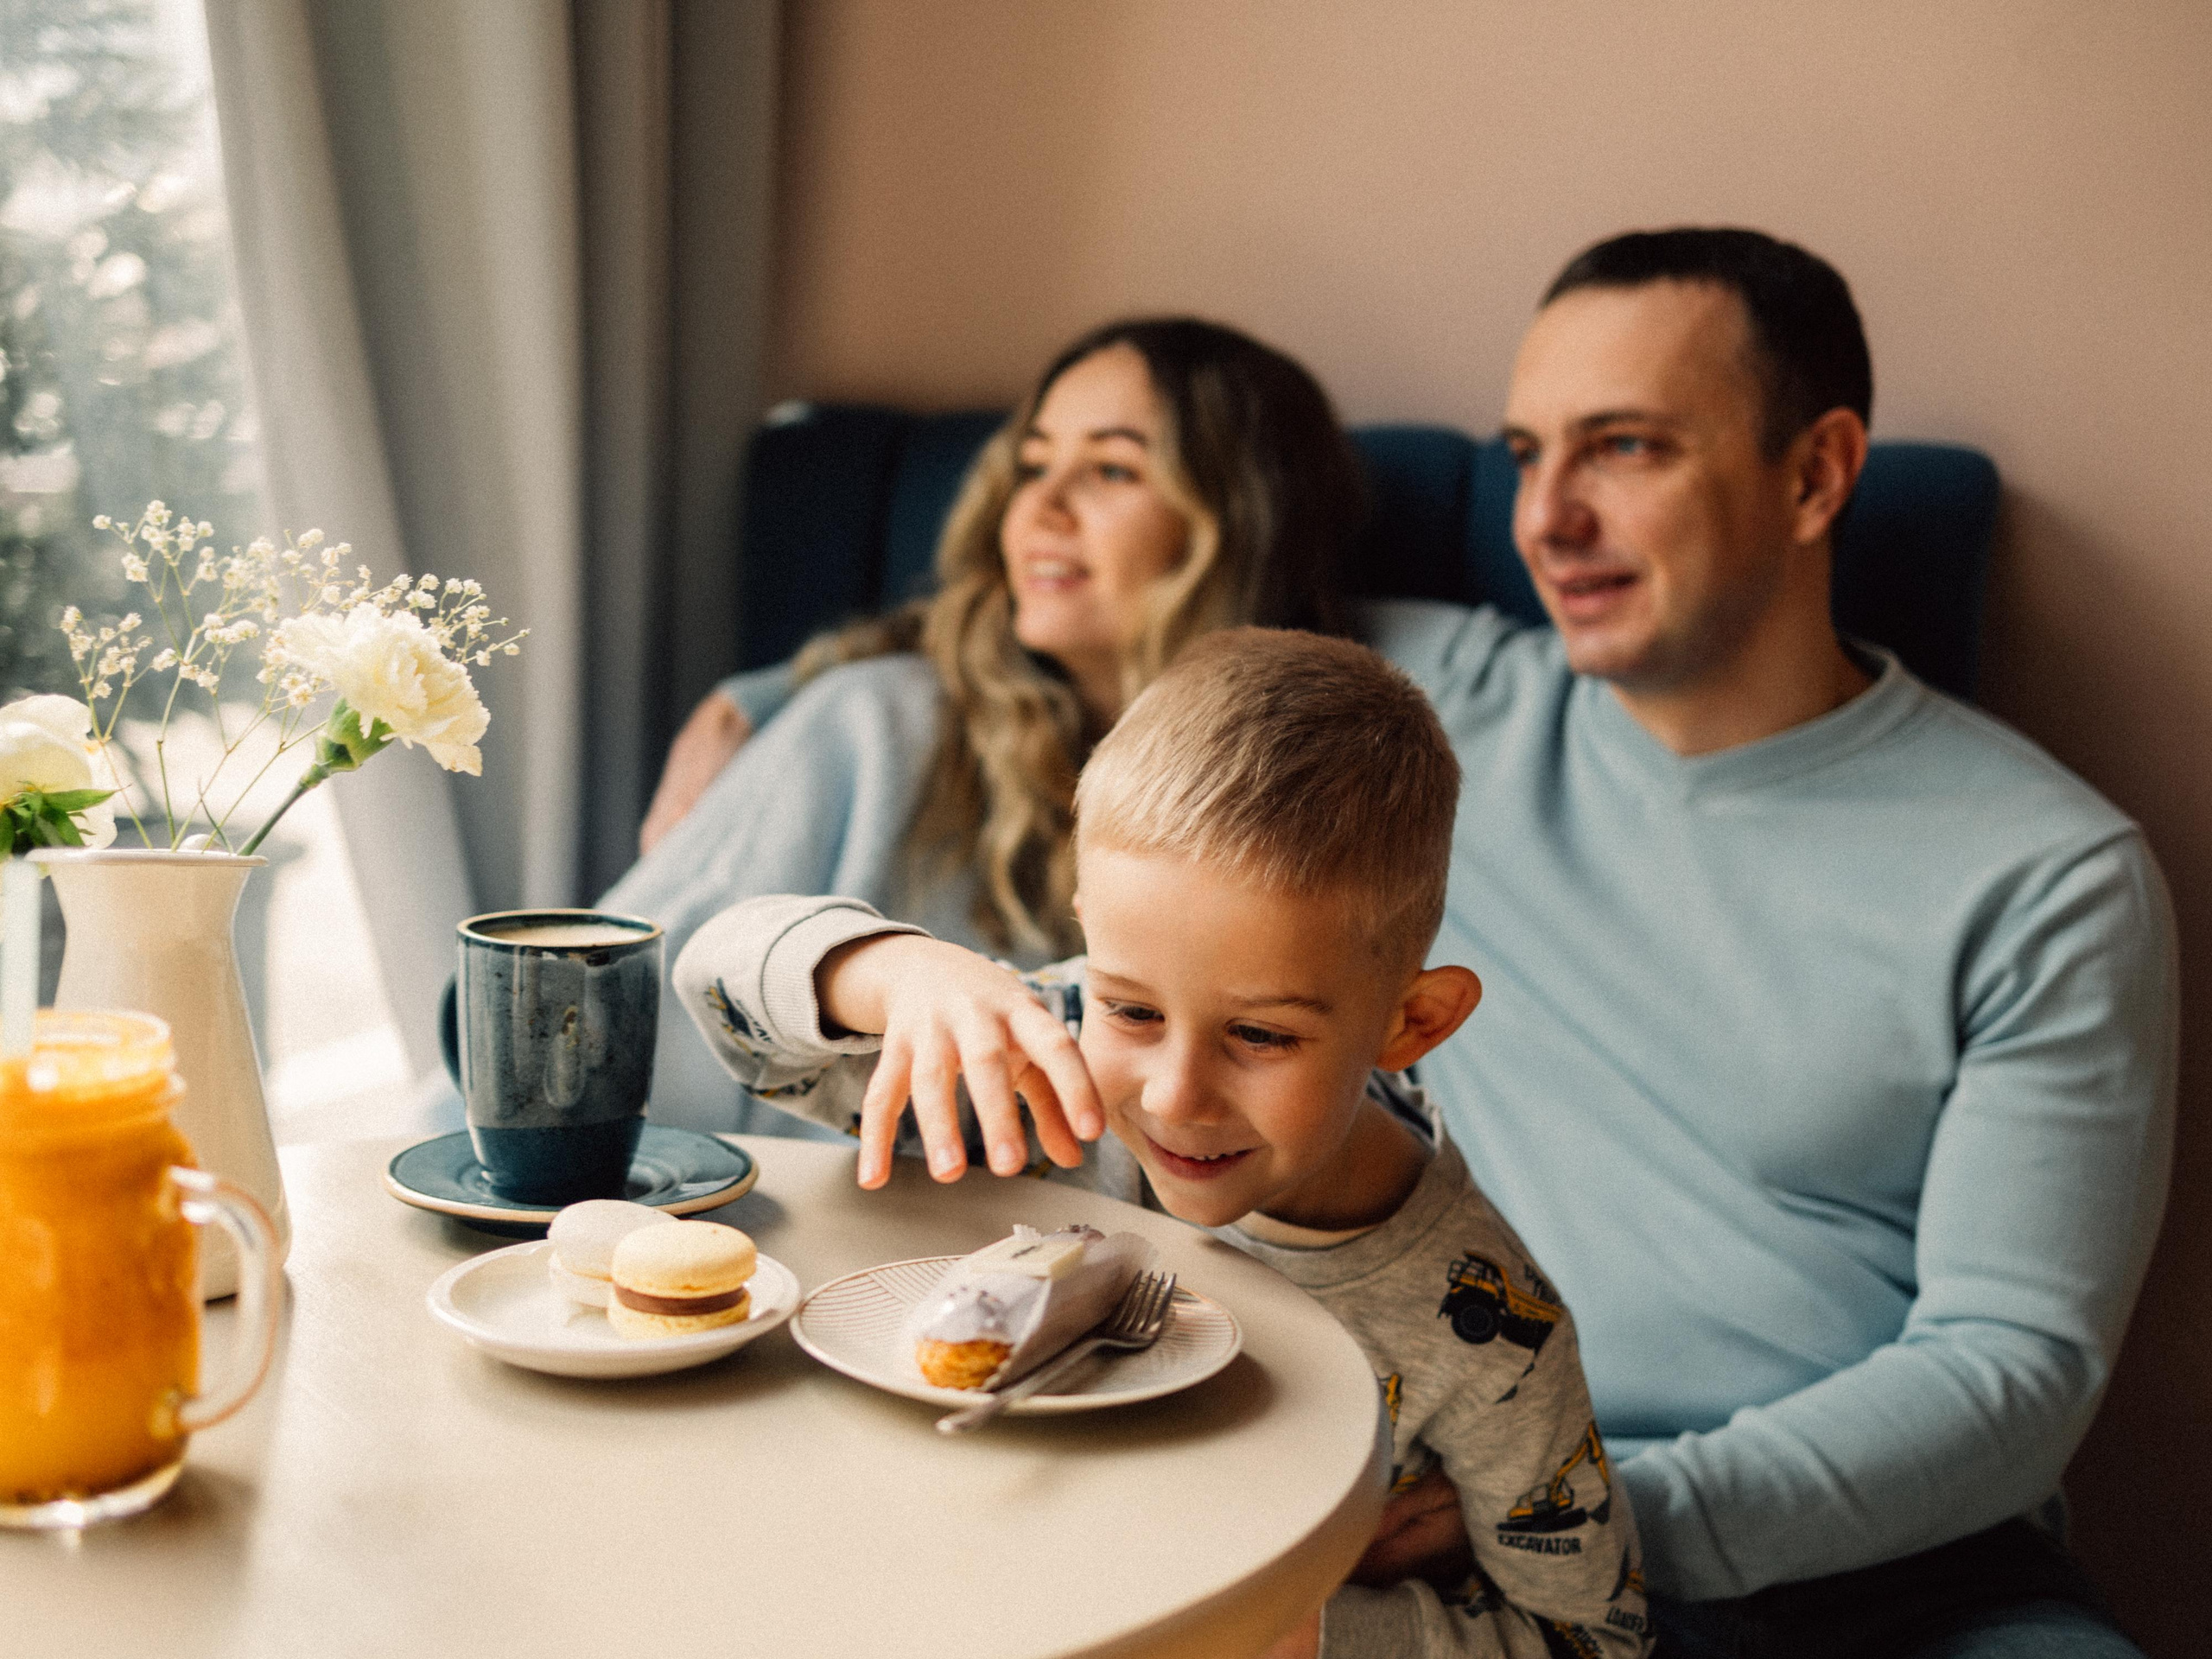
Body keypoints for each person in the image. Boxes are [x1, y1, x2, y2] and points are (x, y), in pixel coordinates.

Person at [1353, 228, 2174, 1655]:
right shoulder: (1430, 715)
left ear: (1816, 472)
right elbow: (1079, 610)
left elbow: (2016, 1372)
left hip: (1899, 1574)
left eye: (1625, 448)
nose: (1545, 518)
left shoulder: (2048, 874)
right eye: (1525, 454)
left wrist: (1591, 1512)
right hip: (1473, 1535)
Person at [671, 628, 1652, 1659]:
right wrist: (896, 972)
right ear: (1087, 928)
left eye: (1262, 1035)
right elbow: (716, 985)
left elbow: (1598, 1637)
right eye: (1131, 1010)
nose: (1176, 1095)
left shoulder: (1491, 1332)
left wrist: (1304, 1630)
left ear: (1411, 1023)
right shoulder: (1034, 1067)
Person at [603, 317, 1361, 1131]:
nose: (1040, 505)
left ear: (1240, 520)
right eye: (1033, 465)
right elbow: (625, 992)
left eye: (1111, 468)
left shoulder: (1312, 774)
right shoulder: (870, 722)